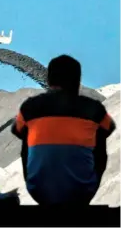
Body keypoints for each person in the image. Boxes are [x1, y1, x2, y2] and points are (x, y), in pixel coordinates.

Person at [11, 54, 116, 205]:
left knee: (27, 133)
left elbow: (17, 130)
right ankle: (84, 182)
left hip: (39, 192)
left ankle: (38, 178)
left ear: (48, 80)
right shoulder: (93, 108)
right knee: (98, 132)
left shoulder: (30, 106)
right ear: (78, 82)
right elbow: (109, 128)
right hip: (82, 193)